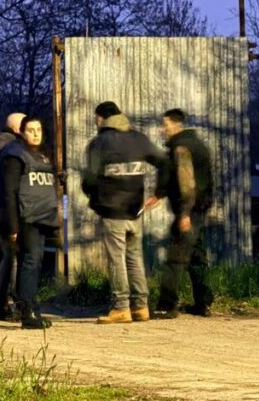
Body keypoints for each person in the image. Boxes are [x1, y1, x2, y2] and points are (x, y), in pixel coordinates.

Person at [82, 101, 168, 324]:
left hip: (112, 210)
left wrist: (94, 198)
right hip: (135, 210)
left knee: (117, 259)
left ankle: (121, 307)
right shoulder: (138, 139)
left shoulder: (99, 143)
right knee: (135, 258)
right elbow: (165, 163)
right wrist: (158, 193)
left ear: (100, 118)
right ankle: (141, 306)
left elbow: (89, 180)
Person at [154, 108, 215, 319]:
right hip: (201, 208)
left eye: (165, 125)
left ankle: (166, 305)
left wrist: (184, 214)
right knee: (197, 256)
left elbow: (187, 183)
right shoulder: (198, 145)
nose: (162, 130)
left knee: (175, 258)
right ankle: (203, 303)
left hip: (189, 211)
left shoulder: (181, 148)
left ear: (175, 125)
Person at [1, 116, 60, 329]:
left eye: (39, 129)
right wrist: (13, 225)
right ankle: (27, 312)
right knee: (30, 262)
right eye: (31, 130)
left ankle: (33, 308)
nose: (36, 134)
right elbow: (10, 192)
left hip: (44, 216)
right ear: (22, 132)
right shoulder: (15, 155)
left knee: (35, 263)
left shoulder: (43, 156)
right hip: (27, 217)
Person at [0, 112, 25, 322]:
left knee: (8, 257)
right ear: (17, 129)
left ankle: (2, 303)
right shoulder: (13, 151)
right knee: (15, 257)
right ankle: (14, 303)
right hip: (10, 209)